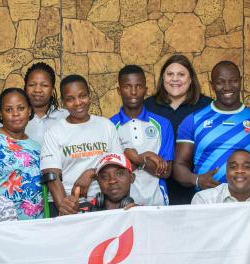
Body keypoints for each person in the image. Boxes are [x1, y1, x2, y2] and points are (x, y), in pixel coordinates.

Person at [173, 61, 250, 200]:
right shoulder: (193, 121)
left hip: (246, 203)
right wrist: (197, 179)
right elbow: (179, 165)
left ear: (240, 82)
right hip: (207, 201)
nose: (227, 87)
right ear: (212, 85)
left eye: (233, 81)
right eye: (220, 82)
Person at [40, 74, 122, 216]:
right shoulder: (54, 132)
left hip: (103, 202)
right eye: (70, 99)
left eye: (82, 96)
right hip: (66, 202)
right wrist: (65, 207)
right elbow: (51, 177)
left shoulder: (106, 125)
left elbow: (118, 165)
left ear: (90, 97)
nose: (78, 103)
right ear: (63, 103)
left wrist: (92, 173)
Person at [144, 54, 212, 205]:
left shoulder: (206, 106)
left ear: (191, 79)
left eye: (181, 74)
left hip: (196, 185)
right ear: (163, 78)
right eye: (170, 74)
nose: (175, 79)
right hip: (156, 185)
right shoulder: (147, 107)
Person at [0, 88, 43, 220]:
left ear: (29, 111)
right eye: (9, 110)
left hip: (37, 225)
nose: (16, 114)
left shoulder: (37, 147)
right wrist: (4, 217)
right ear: (0, 114)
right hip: (3, 222)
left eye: (21, 108)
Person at [110, 65, 173, 206]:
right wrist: (148, 157)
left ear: (146, 90)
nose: (133, 92)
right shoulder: (109, 126)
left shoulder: (163, 124)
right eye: (127, 86)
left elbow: (166, 172)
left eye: (138, 86)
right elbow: (112, 173)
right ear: (119, 91)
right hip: (123, 205)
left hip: (157, 202)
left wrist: (138, 158)